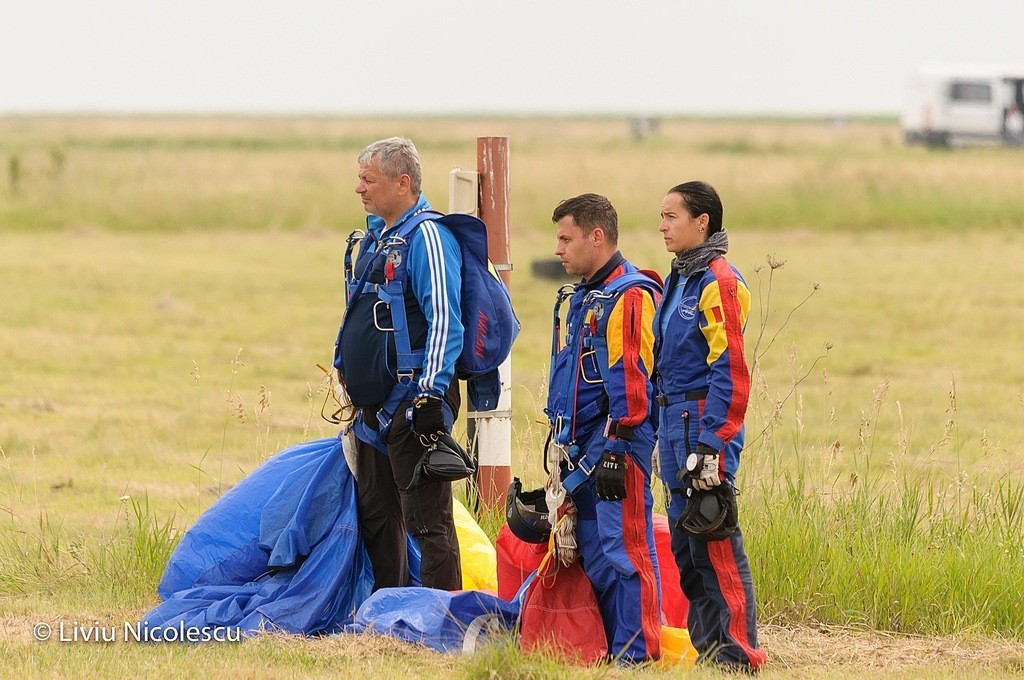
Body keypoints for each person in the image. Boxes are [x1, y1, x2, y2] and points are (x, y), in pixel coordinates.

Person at [333, 137, 463, 591]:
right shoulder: (377, 238)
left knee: (427, 521)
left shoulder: (427, 237)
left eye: (368, 180)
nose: (359, 189)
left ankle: (441, 619)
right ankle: (390, 613)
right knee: (377, 516)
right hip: (372, 409)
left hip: (415, 401)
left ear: (402, 182)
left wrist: (429, 394)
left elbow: (446, 320)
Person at [653, 181, 767, 671]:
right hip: (672, 423)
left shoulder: (718, 280)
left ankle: (740, 654)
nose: (662, 225)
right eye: (660, 216)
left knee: (713, 535)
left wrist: (712, 443)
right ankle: (710, 653)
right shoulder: (678, 277)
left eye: (672, 216)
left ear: (703, 222)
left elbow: (731, 371)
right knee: (685, 543)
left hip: (703, 424)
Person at [545, 193, 662, 663]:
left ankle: (636, 657)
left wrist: (616, 447)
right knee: (592, 552)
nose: (558, 249)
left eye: (565, 238)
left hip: (616, 449)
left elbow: (632, 381)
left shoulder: (630, 296)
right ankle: (611, 651)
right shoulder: (581, 299)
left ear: (597, 237)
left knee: (624, 551)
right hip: (579, 450)